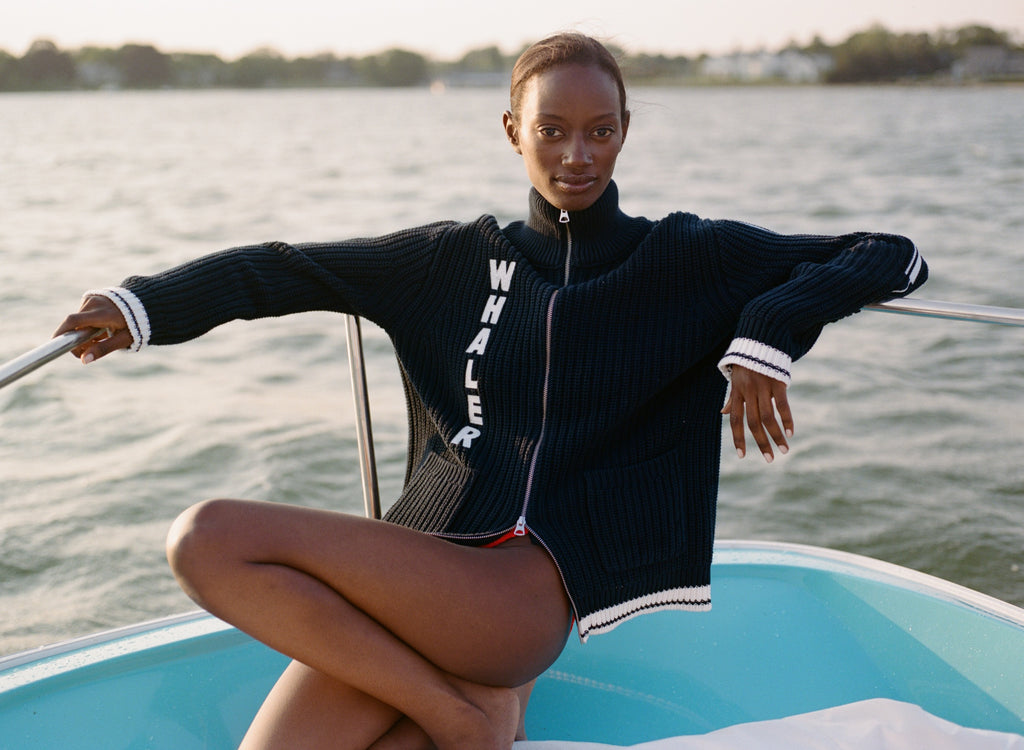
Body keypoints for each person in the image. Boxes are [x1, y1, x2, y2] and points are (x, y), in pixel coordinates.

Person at [55, 32, 926, 750]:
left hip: (519, 596)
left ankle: (461, 717)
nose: (577, 155)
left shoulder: (685, 255)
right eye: (552, 131)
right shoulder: (451, 259)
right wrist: (140, 307)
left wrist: (767, 332)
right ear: (513, 131)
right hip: (426, 567)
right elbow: (282, 270)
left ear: (625, 131)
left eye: (600, 131)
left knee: (207, 536)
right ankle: (470, 716)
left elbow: (889, 253)